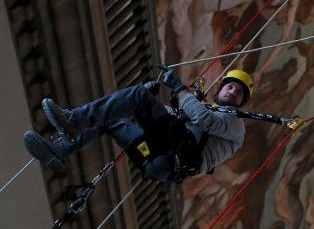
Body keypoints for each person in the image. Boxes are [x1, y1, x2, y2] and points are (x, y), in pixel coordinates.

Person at [23, 68, 255, 187]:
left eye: (239, 92)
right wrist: (156, 98)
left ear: (242, 102)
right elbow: (180, 117)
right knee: (113, 118)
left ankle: (73, 122)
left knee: (138, 97)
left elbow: (204, 119)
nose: (233, 92)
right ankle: (63, 148)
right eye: (230, 86)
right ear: (221, 88)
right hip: (153, 155)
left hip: (172, 154)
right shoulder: (206, 111)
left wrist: (176, 86)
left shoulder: (235, 125)